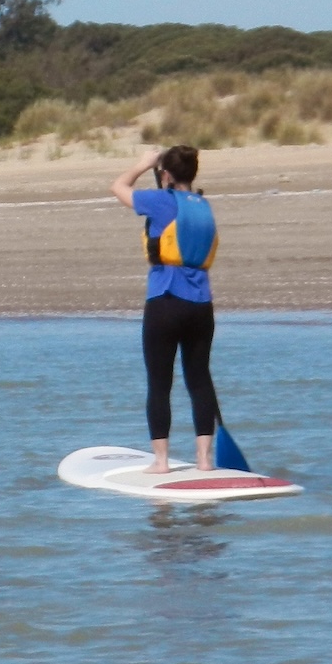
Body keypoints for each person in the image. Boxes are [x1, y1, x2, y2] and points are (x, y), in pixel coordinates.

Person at [110, 143, 223, 474]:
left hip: (166, 301)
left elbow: (117, 188)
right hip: (202, 307)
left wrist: (143, 163)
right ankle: (204, 460)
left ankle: (161, 462)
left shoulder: (161, 201)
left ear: (166, 175)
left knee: (159, 383)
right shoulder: (203, 206)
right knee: (199, 380)